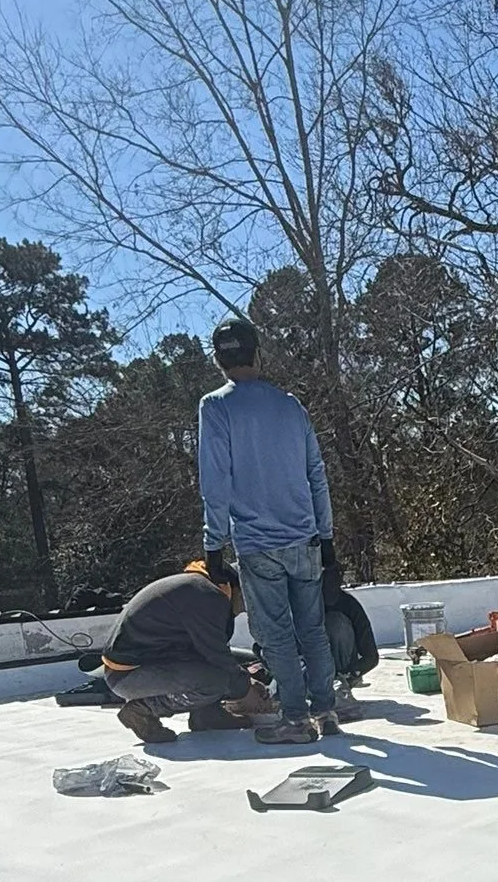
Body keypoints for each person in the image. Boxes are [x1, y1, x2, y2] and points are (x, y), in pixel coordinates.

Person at [197, 313, 357, 742]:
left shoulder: (215, 408)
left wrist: (213, 548)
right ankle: (325, 713)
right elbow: (316, 475)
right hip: (305, 540)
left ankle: (295, 721)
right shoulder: (290, 406)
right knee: (313, 630)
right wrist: (326, 541)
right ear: (258, 354)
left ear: (219, 360)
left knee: (278, 637)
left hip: (257, 546)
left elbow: (215, 481)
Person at [98, 558, 276, 744]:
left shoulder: (200, 588)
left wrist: (244, 679)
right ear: (241, 589)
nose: (247, 610)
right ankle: (142, 710)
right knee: (214, 681)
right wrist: (246, 688)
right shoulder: (206, 596)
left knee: (219, 673)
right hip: (130, 676)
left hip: (140, 666)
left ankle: (207, 716)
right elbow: (216, 654)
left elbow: (208, 652)